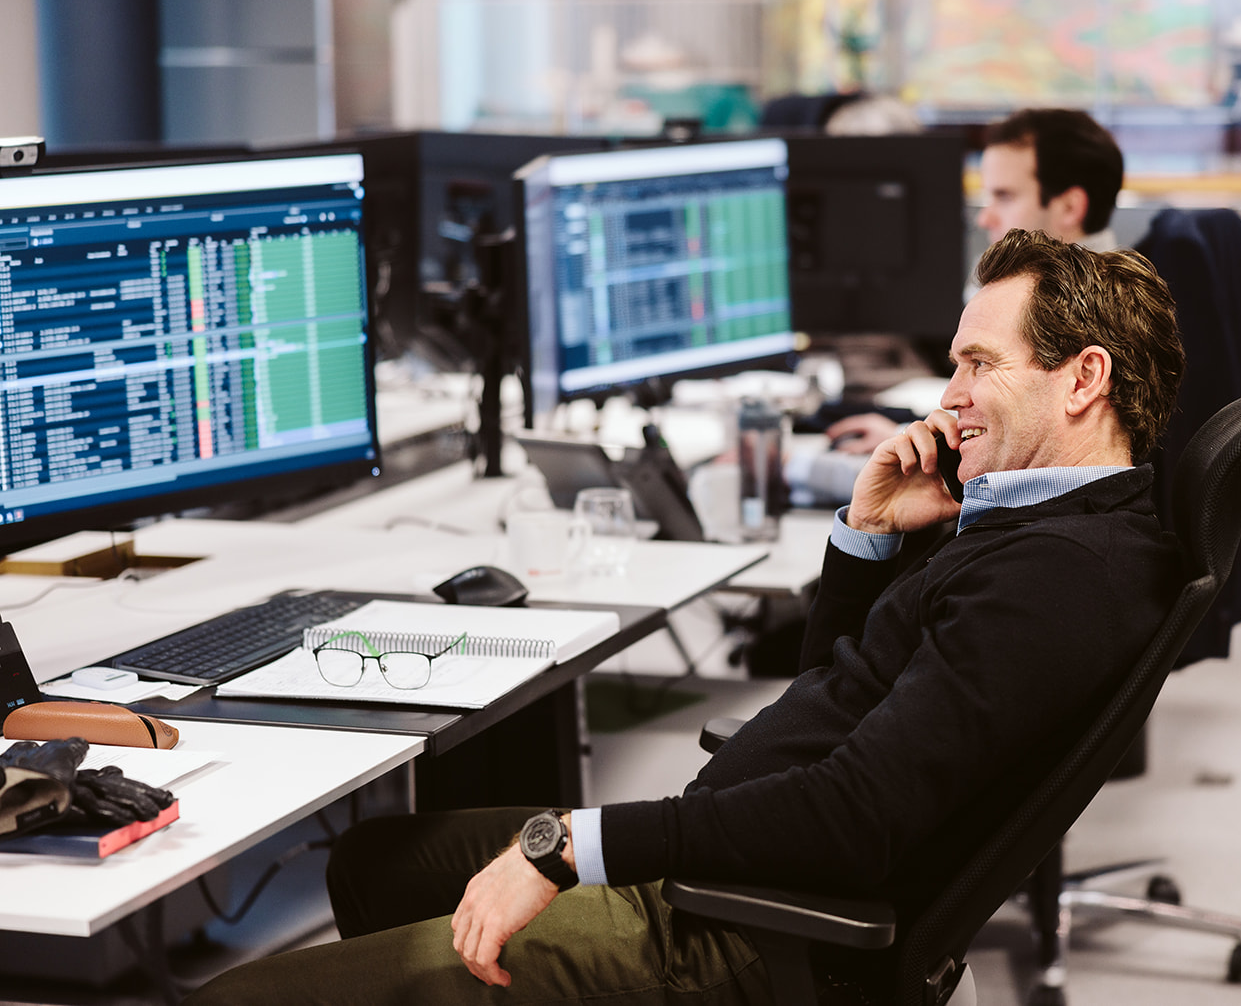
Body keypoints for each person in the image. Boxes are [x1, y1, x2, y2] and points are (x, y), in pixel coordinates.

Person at [184, 229, 1186, 1006]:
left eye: (978, 364)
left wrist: (569, 847)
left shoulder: (1051, 575)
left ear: (1083, 377)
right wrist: (869, 533)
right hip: (731, 868)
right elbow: (833, 688)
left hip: (730, 932)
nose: (949, 395)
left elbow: (852, 818)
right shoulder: (1036, 523)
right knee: (376, 862)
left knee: (233, 997)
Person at [827, 107, 1125, 453]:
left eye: (1004, 196)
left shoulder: (1087, 314)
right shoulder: (1040, 289)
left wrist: (910, 437)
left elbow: (1018, 434)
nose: (985, 218)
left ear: (1070, 207)